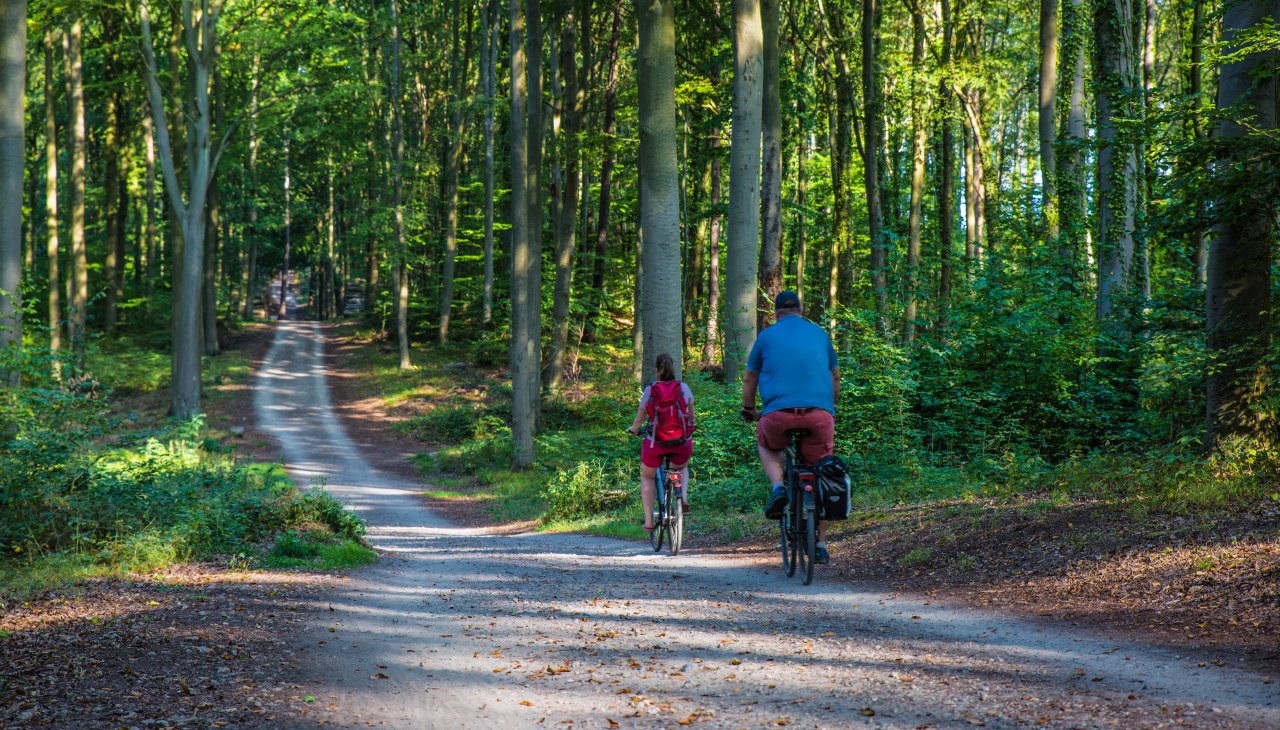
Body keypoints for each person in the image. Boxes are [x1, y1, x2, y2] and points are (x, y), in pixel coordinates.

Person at [739, 290, 839, 564]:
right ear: (801, 309)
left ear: (775, 312)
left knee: (767, 442)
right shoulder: (820, 334)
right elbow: (835, 376)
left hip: (777, 415)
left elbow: (750, 379)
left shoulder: (767, 336)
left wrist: (749, 409)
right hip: (819, 415)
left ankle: (778, 487)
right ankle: (820, 543)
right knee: (821, 474)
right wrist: (829, 408)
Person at [626, 353, 694, 532]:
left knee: (648, 476)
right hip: (681, 442)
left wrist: (634, 429)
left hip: (655, 444)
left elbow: (640, 418)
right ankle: (682, 497)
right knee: (679, 468)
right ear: (673, 367)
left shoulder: (650, 390)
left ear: (657, 370)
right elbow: (691, 417)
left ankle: (649, 521)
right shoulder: (684, 388)